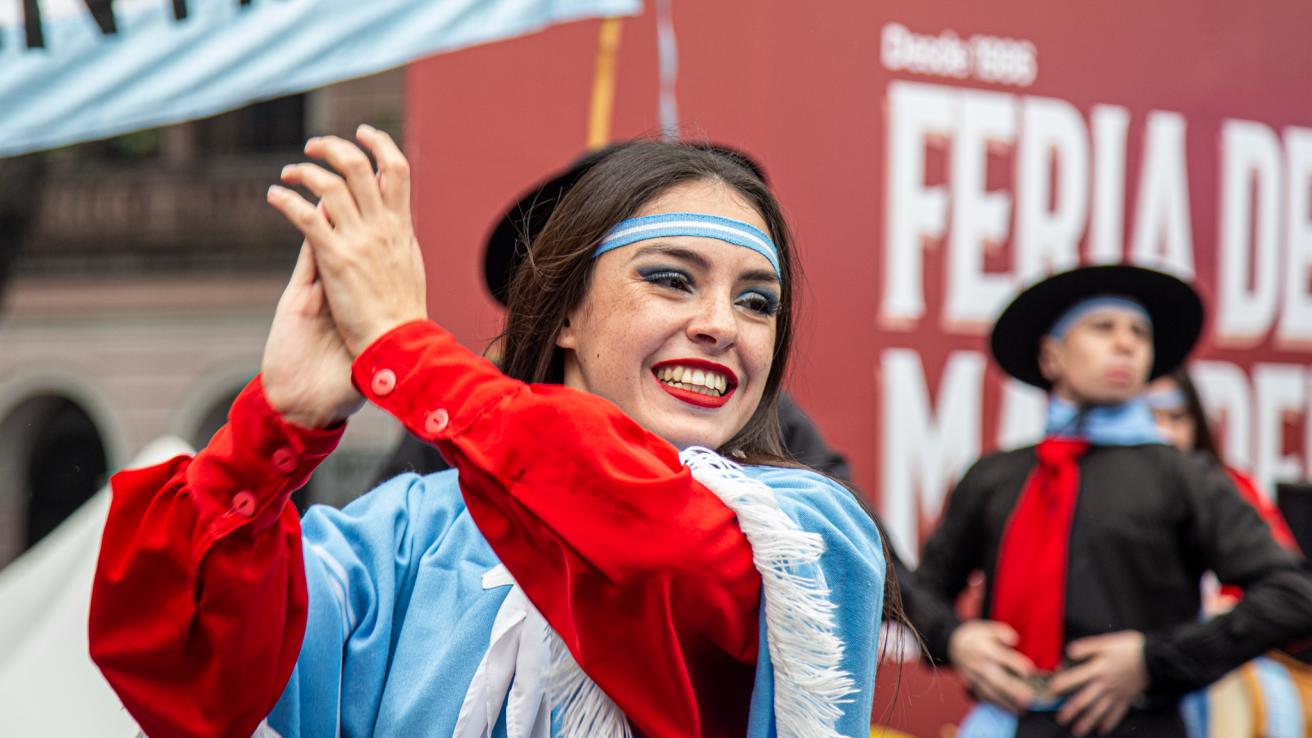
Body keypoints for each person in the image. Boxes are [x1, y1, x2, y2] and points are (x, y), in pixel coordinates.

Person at [88, 130, 887, 738]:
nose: (720, 325)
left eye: (758, 303)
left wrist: (403, 347)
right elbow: (176, 660)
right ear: (566, 312)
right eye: (671, 279)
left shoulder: (799, 530)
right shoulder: (406, 529)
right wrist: (277, 426)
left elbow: (650, 544)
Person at [910, 264, 1312, 738]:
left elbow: (1292, 593)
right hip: (1008, 722)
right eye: (1103, 328)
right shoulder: (997, 476)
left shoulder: (1184, 475)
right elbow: (919, 592)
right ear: (1050, 355)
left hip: (1139, 724)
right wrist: (957, 640)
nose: (1126, 343)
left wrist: (1152, 660)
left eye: (1139, 333)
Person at [1146, 369, 1312, 738]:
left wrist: (1225, 615)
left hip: (1224, 662)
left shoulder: (1226, 488)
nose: (1165, 434)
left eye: (1176, 418)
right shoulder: (1099, 490)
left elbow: (1289, 592)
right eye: (1149, 418)